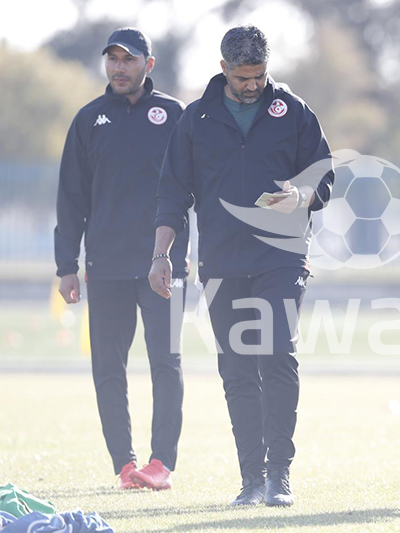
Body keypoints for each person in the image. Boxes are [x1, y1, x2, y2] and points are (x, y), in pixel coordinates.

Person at [149, 25, 333, 507]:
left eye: (260, 75)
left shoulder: (292, 111)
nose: (253, 85)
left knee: (275, 353)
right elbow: (172, 192)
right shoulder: (196, 119)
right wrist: (161, 252)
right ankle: (251, 479)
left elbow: (324, 177)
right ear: (224, 68)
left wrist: (301, 195)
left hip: (282, 255)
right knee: (236, 370)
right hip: (222, 261)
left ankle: (280, 475)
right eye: (244, 76)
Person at [54, 27, 189, 491]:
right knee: (108, 368)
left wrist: (175, 253)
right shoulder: (89, 120)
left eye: (128, 59)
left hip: (164, 267)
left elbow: (194, 190)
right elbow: (71, 198)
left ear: (147, 65)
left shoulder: (175, 115)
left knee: (165, 363)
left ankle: (161, 463)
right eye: (112, 59)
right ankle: (125, 466)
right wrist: (66, 264)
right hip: (106, 267)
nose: (118, 67)